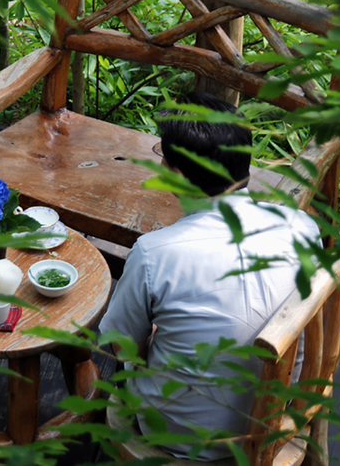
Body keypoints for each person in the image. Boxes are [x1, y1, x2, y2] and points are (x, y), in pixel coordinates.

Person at [98, 91, 321, 461]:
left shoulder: (155, 253)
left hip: (182, 435)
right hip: (279, 415)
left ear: (176, 173)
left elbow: (121, 346)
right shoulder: (301, 226)